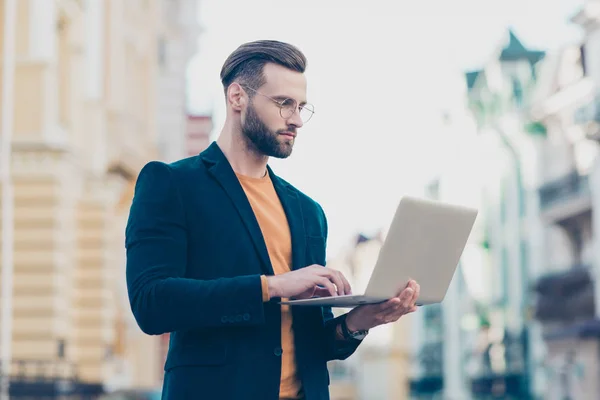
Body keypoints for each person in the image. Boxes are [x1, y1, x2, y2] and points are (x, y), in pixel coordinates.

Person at [125, 40, 420, 400]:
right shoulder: (171, 184)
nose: (295, 119)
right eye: (283, 103)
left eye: (301, 107)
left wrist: (362, 320)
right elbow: (151, 303)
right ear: (237, 97)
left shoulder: (308, 211)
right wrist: (273, 286)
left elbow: (312, 342)